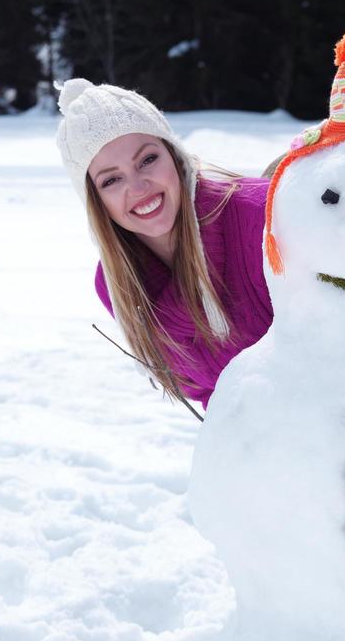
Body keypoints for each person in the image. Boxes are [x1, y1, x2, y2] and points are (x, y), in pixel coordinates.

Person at [56, 78, 273, 409]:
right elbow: (206, 393)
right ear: (96, 201)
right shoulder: (118, 284)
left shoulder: (261, 216)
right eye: (111, 180)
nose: (139, 186)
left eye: (147, 159)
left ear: (174, 154)